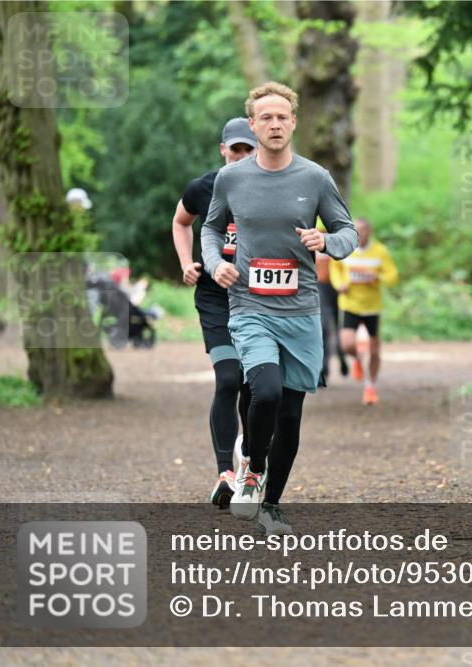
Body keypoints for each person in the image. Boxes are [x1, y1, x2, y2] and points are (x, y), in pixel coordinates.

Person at [201, 82, 358, 535]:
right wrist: (215, 264)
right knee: (264, 390)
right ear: (252, 124)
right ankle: (251, 465)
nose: (274, 124)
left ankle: (271, 505)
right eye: (265, 117)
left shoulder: (314, 177)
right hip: (249, 305)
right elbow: (210, 230)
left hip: (302, 310)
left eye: (282, 117)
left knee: (290, 412)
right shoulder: (231, 178)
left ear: (293, 122)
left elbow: (349, 232)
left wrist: (326, 241)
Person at [172, 117, 256, 508]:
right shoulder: (203, 187)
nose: (240, 157)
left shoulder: (273, 187)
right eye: (234, 149)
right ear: (223, 149)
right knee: (228, 377)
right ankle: (225, 472)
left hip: (259, 298)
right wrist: (187, 261)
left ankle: (250, 464)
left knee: (253, 386)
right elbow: (180, 221)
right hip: (214, 297)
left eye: (247, 150)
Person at [330, 218, 399, 405]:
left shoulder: (380, 251)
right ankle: (358, 359)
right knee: (346, 345)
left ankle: (370, 387)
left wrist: (377, 276)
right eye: (356, 230)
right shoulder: (346, 249)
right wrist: (339, 284)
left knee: (375, 350)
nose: (360, 234)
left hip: (372, 306)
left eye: (363, 230)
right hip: (350, 304)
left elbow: (392, 276)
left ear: (370, 232)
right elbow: (334, 268)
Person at [315, 248, 348, 383]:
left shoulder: (338, 236)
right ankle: (324, 368)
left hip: (339, 288)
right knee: (324, 328)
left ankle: (341, 356)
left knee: (339, 326)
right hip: (321, 287)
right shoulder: (309, 235)